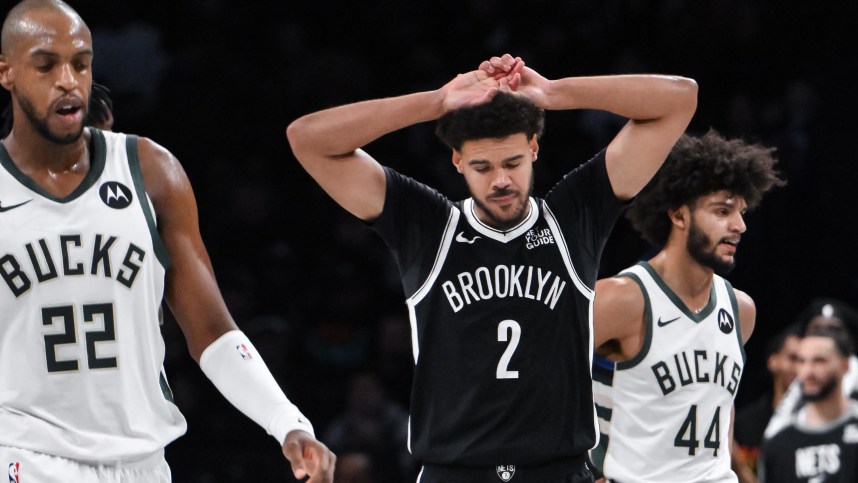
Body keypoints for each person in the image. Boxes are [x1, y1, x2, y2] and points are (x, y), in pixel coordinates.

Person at [288, 52, 697, 482]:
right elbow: (308, 139)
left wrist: (555, 93)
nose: (500, 180)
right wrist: (437, 101)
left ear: (534, 149)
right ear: (457, 161)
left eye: (512, 163)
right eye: (482, 167)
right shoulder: (428, 228)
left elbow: (679, 99)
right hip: (455, 471)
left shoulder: (573, 218)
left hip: (557, 470)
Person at [0, 1, 334, 482]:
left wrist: (286, 423)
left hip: (143, 464)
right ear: (7, 72)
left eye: (81, 63)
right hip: (26, 460)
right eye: (46, 64)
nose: (69, 80)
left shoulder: (150, 170)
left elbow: (213, 333)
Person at [590, 130, 784, 482]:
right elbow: (547, 378)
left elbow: (717, 406)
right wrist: (583, 467)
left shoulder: (741, 310)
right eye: (722, 211)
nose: (739, 225)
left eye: (740, 211)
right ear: (679, 216)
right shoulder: (624, 298)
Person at [759, 325, 858, 482]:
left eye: (819, 361)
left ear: (845, 365)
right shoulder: (779, 442)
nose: (808, 371)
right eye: (802, 361)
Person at [764, 298, 858, 440]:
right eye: (817, 330)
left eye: (834, 331)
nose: (824, 335)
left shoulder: (852, 368)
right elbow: (776, 429)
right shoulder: (804, 379)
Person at [732, 323, 802, 483]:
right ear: (773, 361)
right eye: (793, 358)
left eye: (804, 361)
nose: (799, 368)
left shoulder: (817, 422)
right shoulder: (745, 423)